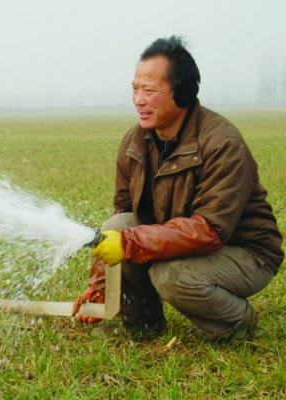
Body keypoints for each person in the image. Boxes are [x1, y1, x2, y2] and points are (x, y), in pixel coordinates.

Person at [72, 35, 283, 341]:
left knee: (169, 275)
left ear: (182, 92)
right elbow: (123, 218)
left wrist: (131, 243)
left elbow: (209, 231)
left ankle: (236, 322)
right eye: (135, 89)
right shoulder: (135, 142)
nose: (138, 99)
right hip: (185, 241)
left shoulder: (223, 143)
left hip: (245, 252)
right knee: (118, 224)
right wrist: (101, 286)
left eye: (149, 90)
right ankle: (143, 323)